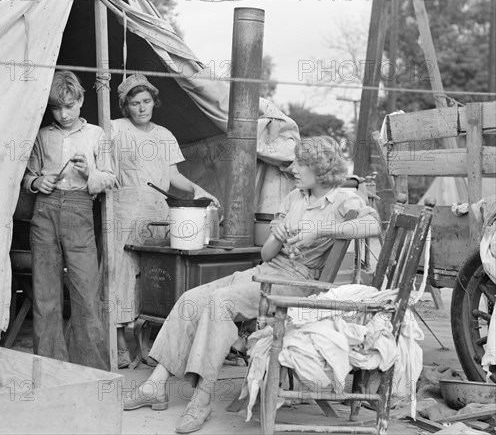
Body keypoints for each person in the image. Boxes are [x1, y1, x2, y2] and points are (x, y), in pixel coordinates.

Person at [122, 135, 381, 434]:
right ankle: (157, 384)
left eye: (301, 164)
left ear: (321, 169)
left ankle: (202, 399)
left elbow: (372, 224)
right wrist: (278, 236)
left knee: (221, 302)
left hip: (297, 285)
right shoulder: (295, 197)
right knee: (191, 297)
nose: (293, 169)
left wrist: (320, 230)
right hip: (267, 271)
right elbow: (266, 254)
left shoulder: (342, 199)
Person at [110, 74, 219, 368]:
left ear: (153, 102)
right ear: (125, 105)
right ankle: (119, 346)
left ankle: (153, 346)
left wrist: (198, 189)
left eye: (146, 101)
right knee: (120, 275)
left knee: (156, 278)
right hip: (124, 213)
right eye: (135, 103)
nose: (142, 108)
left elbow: (173, 176)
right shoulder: (114, 130)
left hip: (157, 215)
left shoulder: (164, 135)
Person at [22, 70, 115, 368]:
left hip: (79, 209)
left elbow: (111, 178)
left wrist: (89, 173)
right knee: (45, 293)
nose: (63, 114)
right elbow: (28, 177)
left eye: (69, 106)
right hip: (45, 211)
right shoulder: (42, 136)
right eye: (56, 108)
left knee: (86, 291)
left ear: (81, 101)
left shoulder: (96, 135)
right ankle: (49, 368)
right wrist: (38, 184)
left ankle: (91, 371)